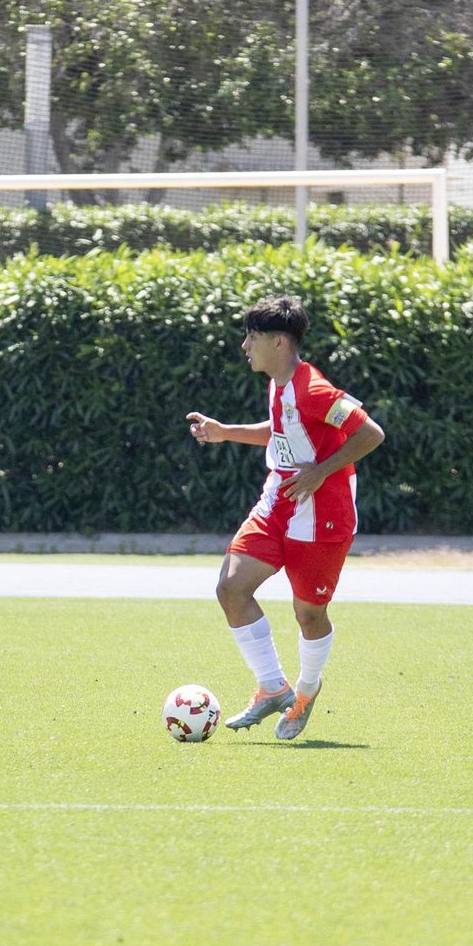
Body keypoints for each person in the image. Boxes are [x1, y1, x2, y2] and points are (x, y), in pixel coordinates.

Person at [185, 295, 385, 739]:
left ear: (278, 342)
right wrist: (225, 432)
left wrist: (321, 471)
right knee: (231, 588)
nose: (244, 346)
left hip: (323, 514)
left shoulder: (312, 388)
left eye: (252, 337)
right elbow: (280, 433)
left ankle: (306, 692)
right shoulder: (279, 382)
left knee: (309, 615)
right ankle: (273, 687)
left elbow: (371, 433)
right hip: (278, 500)